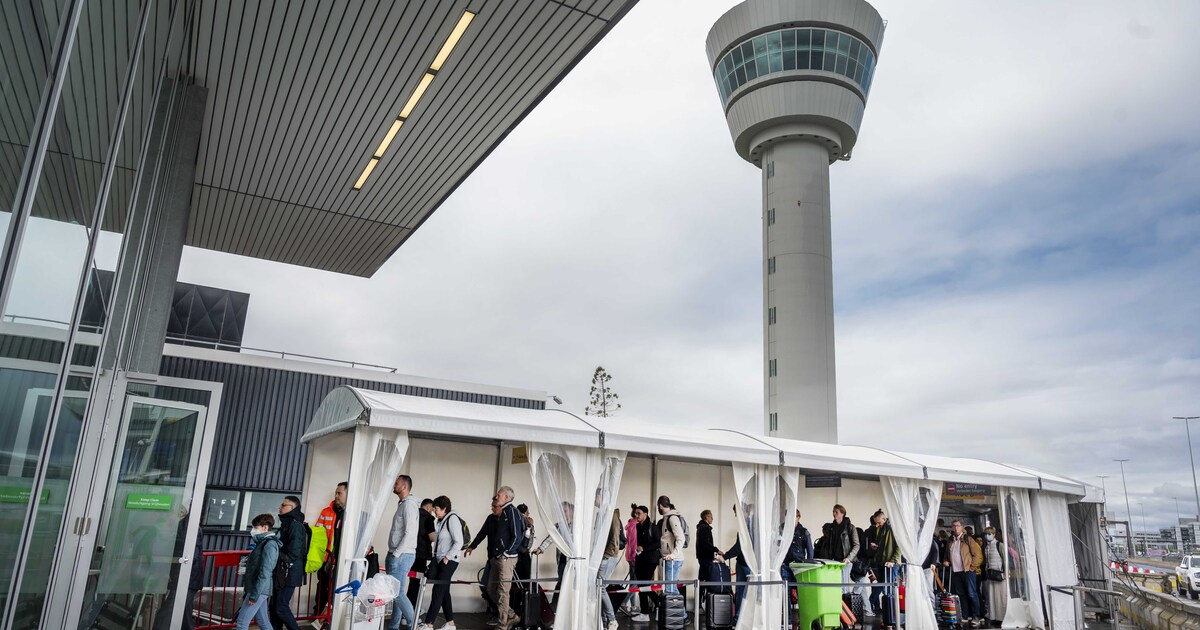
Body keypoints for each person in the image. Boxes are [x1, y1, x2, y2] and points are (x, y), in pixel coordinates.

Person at [417, 496, 464, 630]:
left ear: (444, 508)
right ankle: (450, 623)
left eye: (436, 509)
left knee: (438, 590)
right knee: (444, 591)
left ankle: (428, 624)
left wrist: (447, 558)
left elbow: (458, 542)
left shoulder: (452, 519)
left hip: (449, 561)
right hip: (441, 560)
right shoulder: (441, 520)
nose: (434, 511)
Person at [236, 514, 281, 630]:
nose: (253, 530)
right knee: (263, 622)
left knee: (241, 623)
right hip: (259, 588)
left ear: (265, 528)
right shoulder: (263, 543)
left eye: (256, 527)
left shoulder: (269, 544)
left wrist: (254, 595)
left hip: (258, 589)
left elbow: (265, 571)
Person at [488, 486, 524, 630]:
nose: (496, 496)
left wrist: (506, 553)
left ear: (507, 498)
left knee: (503, 591)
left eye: (499, 495)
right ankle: (511, 615)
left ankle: (503, 624)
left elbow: (517, 536)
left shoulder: (512, 512)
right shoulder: (503, 512)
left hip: (506, 558)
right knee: (491, 588)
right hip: (497, 557)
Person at [386, 475, 419, 630]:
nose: (394, 484)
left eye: (396, 483)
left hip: (402, 555)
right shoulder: (403, 504)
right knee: (397, 593)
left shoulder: (408, 506)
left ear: (404, 487)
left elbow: (410, 532)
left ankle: (415, 625)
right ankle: (393, 626)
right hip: (400, 554)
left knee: (397, 593)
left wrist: (396, 554)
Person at [270, 496, 307, 630]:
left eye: (283, 505)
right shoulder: (286, 524)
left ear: (293, 508)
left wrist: (272, 551)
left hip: (289, 573)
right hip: (282, 572)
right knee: (275, 607)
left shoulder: (295, 526)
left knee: (281, 607)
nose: (280, 507)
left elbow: (292, 555)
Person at [465, 499, 502, 623]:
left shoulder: (507, 519)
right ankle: (495, 611)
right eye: (492, 506)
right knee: (484, 586)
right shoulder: (490, 518)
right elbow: (482, 533)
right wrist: (472, 546)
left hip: (503, 560)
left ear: (501, 506)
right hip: (491, 559)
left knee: (498, 589)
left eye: (495, 506)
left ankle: (500, 614)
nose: (492, 508)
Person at [314, 482, 346, 617]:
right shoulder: (326, 512)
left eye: (340, 493)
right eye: (336, 493)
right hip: (326, 559)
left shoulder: (353, 514)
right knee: (322, 587)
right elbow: (316, 535)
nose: (336, 496)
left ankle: (333, 618)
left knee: (338, 590)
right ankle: (318, 616)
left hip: (342, 560)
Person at [943, 519, 983, 627]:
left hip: (967, 572)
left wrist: (972, 567)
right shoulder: (950, 540)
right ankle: (965, 617)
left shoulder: (968, 539)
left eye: (958, 526)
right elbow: (947, 555)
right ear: (951, 528)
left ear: (962, 527)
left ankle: (976, 617)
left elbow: (978, 555)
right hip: (956, 572)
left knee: (971, 594)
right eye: (954, 526)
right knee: (961, 595)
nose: (956, 528)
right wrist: (946, 561)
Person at [866, 510, 900, 630]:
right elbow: (885, 546)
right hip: (882, 563)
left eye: (879, 522)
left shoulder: (894, 528)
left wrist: (893, 561)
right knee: (885, 591)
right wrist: (877, 547)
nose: (877, 525)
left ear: (884, 519)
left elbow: (899, 546)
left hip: (891, 564)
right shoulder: (882, 529)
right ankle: (888, 620)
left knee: (890, 591)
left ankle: (893, 620)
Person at [818, 504, 860, 593]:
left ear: (842, 513)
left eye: (836, 512)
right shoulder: (831, 528)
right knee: (834, 586)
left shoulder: (850, 527)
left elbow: (856, 545)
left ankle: (843, 606)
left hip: (845, 561)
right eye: (833, 511)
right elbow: (828, 544)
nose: (834, 514)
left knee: (844, 587)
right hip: (833, 562)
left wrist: (849, 558)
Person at [723, 505, 752, 623]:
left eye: (736, 513)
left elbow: (740, 547)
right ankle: (740, 617)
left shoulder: (748, 525)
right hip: (742, 563)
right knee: (741, 591)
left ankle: (741, 617)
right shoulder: (746, 525)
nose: (736, 516)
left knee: (744, 591)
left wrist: (725, 556)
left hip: (747, 564)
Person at [631, 505, 660, 623]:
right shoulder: (637, 527)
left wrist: (644, 548)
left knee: (644, 585)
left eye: (639, 513)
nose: (636, 515)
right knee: (641, 585)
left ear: (645, 514)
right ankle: (646, 612)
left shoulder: (653, 527)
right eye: (635, 513)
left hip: (651, 560)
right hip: (640, 559)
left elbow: (658, 543)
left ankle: (658, 605)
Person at [598, 507, 623, 630]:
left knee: (600, 586)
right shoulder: (603, 513)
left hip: (608, 555)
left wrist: (605, 556)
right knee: (600, 587)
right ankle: (606, 620)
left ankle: (612, 619)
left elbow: (614, 538)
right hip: (605, 555)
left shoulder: (611, 514)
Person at [780, 510, 813, 599]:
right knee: (785, 593)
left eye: (793, 517)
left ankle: (802, 612)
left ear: (798, 518)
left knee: (801, 592)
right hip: (785, 564)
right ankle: (787, 613)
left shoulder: (803, 531)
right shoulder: (782, 529)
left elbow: (810, 550)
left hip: (799, 565)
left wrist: (809, 565)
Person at [409, 498, 436, 610]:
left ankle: (408, 612)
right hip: (421, 555)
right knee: (417, 584)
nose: (433, 512)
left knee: (412, 583)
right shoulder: (428, 518)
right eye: (433, 509)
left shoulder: (414, 515)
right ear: (429, 507)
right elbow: (432, 537)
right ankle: (412, 612)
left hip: (411, 553)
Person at [657, 496, 686, 595]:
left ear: (660, 506)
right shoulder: (667, 518)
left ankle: (680, 611)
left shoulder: (672, 518)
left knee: (670, 590)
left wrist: (673, 555)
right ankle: (678, 611)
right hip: (670, 559)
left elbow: (681, 538)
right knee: (670, 589)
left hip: (673, 560)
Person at [981, 527, 1007, 627]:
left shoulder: (999, 545)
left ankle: (1002, 617)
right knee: (992, 598)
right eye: (987, 533)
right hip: (991, 575)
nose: (988, 535)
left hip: (1000, 575)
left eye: (990, 533)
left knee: (1001, 597)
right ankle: (994, 617)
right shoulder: (986, 547)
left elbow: (1005, 560)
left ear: (994, 534)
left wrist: (1004, 573)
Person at [695, 510, 719, 597]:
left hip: (702, 557)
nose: (712, 518)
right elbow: (706, 543)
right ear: (707, 517)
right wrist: (716, 550)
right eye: (711, 516)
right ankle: (703, 605)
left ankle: (700, 604)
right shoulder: (705, 528)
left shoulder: (700, 527)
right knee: (707, 581)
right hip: (706, 558)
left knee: (702, 580)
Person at [516, 504, 535, 585]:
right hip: (521, 553)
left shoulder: (516, 520)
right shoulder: (523, 521)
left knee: (520, 576)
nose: (529, 513)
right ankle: (523, 594)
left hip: (521, 552)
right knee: (524, 575)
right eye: (527, 512)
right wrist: (530, 526)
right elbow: (525, 541)